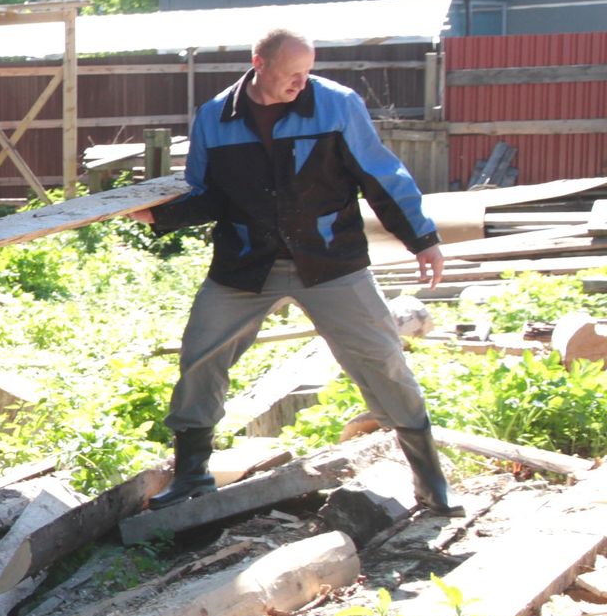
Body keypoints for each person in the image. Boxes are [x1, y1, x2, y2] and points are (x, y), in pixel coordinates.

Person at [133, 28, 458, 513]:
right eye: (291, 74)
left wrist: (422, 238)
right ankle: (193, 475)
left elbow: (379, 174)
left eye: (307, 73)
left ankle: (431, 482)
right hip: (245, 263)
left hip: (332, 261)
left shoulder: (337, 104)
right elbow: (208, 193)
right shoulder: (215, 117)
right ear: (258, 63)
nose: (300, 84)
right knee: (200, 356)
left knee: (382, 360)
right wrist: (159, 214)